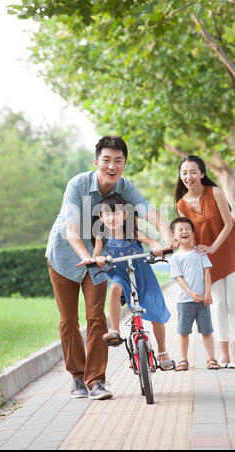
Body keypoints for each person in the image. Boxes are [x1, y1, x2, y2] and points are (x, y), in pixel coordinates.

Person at [46, 135, 175, 400]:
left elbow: (150, 212)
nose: (112, 166)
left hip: (102, 260)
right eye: (106, 160)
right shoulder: (77, 185)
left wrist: (168, 239)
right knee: (68, 319)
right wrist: (88, 255)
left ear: (124, 164)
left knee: (96, 318)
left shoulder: (124, 187)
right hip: (65, 258)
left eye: (118, 160)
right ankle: (77, 376)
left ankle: (96, 381)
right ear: (96, 162)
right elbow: (72, 232)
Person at [78, 193, 175, 371]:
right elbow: (96, 255)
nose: (111, 217)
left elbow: (152, 241)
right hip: (119, 274)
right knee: (114, 289)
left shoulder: (133, 233)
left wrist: (156, 247)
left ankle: (162, 352)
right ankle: (114, 330)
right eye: (107, 214)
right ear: (101, 217)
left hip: (141, 274)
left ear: (125, 215)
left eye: (116, 213)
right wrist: (97, 260)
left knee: (156, 314)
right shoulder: (102, 236)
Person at [174, 155, 235, 369]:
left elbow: (228, 224)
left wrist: (213, 247)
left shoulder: (215, 193)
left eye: (192, 172)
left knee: (233, 303)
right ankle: (223, 355)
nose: (188, 177)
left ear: (202, 173)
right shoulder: (181, 204)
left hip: (232, 251)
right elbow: (187, 233)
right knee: (218, 305)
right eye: (184, 173)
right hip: (208, 259)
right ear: (180, 176)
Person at [169, 217, 219, 371]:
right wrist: (190, 293)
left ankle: (211, 359)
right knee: (183, 332)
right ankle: (183, 360)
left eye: (187, 229)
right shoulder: (175, 257)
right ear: (174, 236)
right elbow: (179, 278)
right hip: (185, 301)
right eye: (180, 229)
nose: (184, 231)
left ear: (192, 232)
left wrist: (208, 293)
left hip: (203, 300)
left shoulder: (200, 252)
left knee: (206, 330)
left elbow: (207, 273)